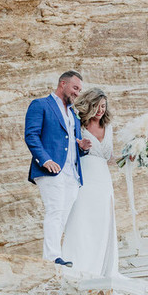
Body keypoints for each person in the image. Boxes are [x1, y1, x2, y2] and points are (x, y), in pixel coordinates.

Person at [25, 71, 92, 266]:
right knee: (54, 211)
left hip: (72, 173)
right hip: (51, 170)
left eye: (79, 90)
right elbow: (31, 135)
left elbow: (70, 144)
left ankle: (54, 255)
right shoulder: (40, 105)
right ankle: (52, 257)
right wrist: (45, 160)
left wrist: (82, 148)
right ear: (63, 84)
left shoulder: (73, 114)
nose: (77, 93)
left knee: (62, 215)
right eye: (75, 88)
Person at [62, 88, 119, 277]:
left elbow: (110, 157)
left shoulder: (108, 127)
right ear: (89, 105)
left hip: (103, 179)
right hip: (85, 177)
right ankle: (78, 264)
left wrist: (131, 156)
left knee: (103, 222)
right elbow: (68, 150)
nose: (101, 110)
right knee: (82, 218)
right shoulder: (79, 124)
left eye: (103, 106)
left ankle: (100, 267)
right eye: (97, 106)